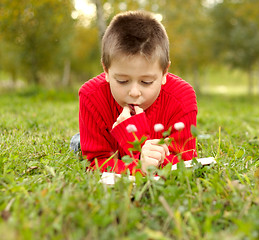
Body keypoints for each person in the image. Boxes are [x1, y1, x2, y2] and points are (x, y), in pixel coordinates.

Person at [76, 10, 197, 175]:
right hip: (106, 142)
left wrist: (140, 148)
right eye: (122, 81)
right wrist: (140, 167)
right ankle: (78, 140)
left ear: (164, 73)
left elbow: (185, 161)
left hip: (132, 151)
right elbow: (96, 161)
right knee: (78, 145)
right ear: (106, 70)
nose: (134, 93)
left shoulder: (182, 98)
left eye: (146, 82)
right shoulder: (90, 96)